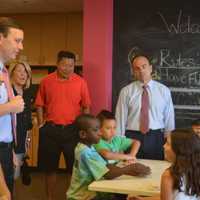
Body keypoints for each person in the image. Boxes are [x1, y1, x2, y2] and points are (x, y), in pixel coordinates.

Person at [35, 50, 91, 200]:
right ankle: (49, 198)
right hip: (50, 130)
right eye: (64, 65)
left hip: (72, 131)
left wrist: (83, 129)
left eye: (71, 65)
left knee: (73, 169)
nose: (68, 68)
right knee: (49, 169)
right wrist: (41, 124)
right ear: (57, 64)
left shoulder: (81, 82)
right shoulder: (46, 81)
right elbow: (39, 104)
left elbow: (86, 107)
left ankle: (71, 197)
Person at [66, 114, 151, 200]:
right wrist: (129, 168)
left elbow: (106, 166)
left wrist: (130, 171)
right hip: (83, 197)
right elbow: (107, 173)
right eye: (95, 130)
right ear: (83, 134)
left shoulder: (88, 147)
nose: (100, 133)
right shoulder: (85, 152)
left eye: (99, 129)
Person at [115, 49, 175, 160]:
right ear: (133, 71)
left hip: (156, 137)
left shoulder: (164, 90)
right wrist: (119, 145)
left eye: (144, 66)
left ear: (150, 68)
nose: (141, 71)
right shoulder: (126, 91)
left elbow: (169, 118)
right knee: (131, 170)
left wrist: (170, 143)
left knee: (156, 170)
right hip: (131, 137)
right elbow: (120, 119)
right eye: (137, 68)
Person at [129, 129, 200, 200]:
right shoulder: (195, 169)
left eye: (168, 144)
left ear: (179, 150)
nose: (164, 146)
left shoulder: (169, 175)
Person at [0, 17, 24, 194]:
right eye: (17, 41)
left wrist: (12, 150)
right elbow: (9, 109)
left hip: (6, 149)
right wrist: (10, 107)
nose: (21, 47)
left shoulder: (4, 71)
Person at [8, 60, 32, 179]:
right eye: (19, 71)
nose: (23, 74)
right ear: (12, 73)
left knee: (15, 177)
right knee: (9, 177)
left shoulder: (27, 93)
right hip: (9, 142)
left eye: (26, 72)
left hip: (22, 141)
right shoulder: (7, 92)